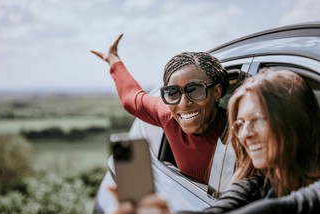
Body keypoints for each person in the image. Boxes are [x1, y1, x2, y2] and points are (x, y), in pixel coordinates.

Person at [108, 68, 320, 214]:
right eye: (239, 124)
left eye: (257, 120)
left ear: (293, 119)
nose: (244, 134)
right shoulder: (258, 183)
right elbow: (219, 212)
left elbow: (286, 210)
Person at [91, 34, 229, 184]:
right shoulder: (169, 117)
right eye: (173, 92)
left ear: (216, 92)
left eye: (195, 90)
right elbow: (132, 99)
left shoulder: (242, 129)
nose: (183, 104)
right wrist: (113, 59)